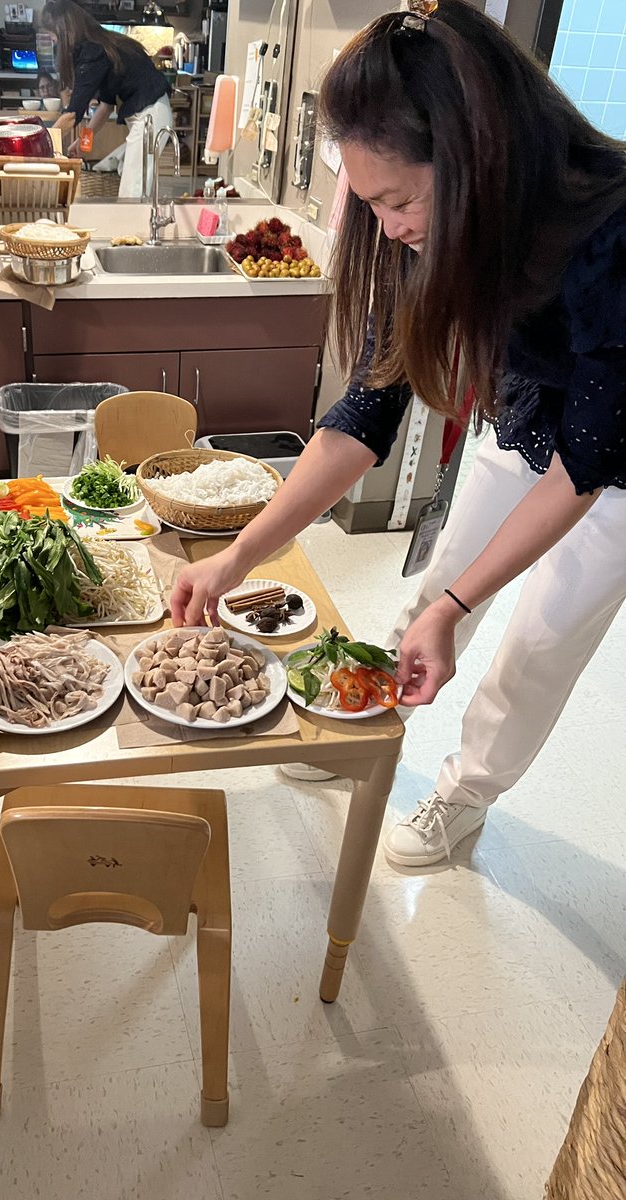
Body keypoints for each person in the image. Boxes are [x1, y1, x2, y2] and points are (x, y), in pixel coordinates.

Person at [170, 0, 626, 868]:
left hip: (617, 455)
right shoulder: (420, 234)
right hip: (535, 411)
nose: (391, 227)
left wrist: (458, 610)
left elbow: (589, 464)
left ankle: (467, 794)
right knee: (441, 584)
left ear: (476, 158)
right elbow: (362, 418)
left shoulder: (610, 226)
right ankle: (364, 717)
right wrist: (238, 557)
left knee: (540, 640)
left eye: (401, 200)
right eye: (371, 203)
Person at [40, 0, 173, 198]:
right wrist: (83, 142)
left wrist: (41, 142)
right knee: (124, 174)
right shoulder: (103, 45)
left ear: (63, 30)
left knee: (132, 192)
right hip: (152, 114)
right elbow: (106, 106)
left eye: (52, 34)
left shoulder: (92, 51)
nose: (53, 41)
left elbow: (72, 115)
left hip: (151, 116)